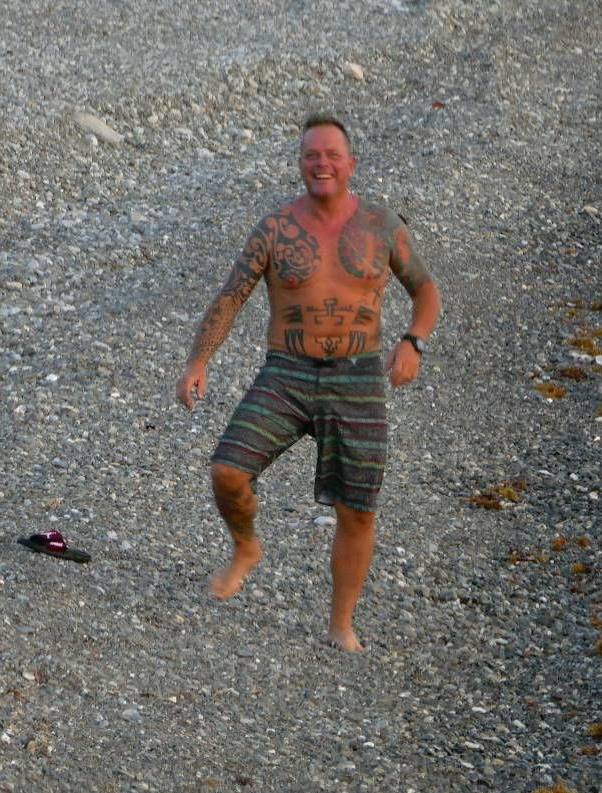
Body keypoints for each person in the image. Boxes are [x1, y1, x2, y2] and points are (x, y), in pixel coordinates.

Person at [175, 112, 441, 652]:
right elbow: (231, 296)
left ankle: (341, 623)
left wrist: (413, 342)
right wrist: (197, 361)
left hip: (358, 377)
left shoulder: (381, 226)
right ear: (300, 164)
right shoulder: (275, 229)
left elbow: (426, 290)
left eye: (332, 155)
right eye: (312, 155)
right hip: (287, 373)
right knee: (227, 470)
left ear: (351, 164)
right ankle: (246, 547)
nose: (322, 163)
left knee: (357, 509)